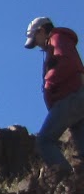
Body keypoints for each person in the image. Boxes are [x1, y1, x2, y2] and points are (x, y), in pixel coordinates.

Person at [24, 16, 84, 170]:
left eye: (35, 39)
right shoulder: (56, 42)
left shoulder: (57, 38)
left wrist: (48, 82)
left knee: (44, 141)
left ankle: (66, 177)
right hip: (76, 98)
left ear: (41, 31)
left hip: (70, 98)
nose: (37, 44)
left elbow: (68, 63)